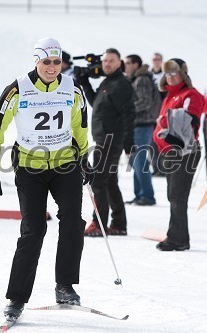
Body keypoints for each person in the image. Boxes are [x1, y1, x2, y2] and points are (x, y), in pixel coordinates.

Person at [0, 37, 91, 319]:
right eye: (46, 62)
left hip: (65, 164)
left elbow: (80, 124)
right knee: (34, 230)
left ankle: (65, 286)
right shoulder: (18, 89)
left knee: (73, 220)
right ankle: (17, 298)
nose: (52, 67)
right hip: (30, 168)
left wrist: (84, 157)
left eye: (56, 62)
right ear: (36, 61)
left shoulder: (72, 87)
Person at [78, 48, 135, 237]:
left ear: (120, 63)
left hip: (111, 139)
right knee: (109, 182)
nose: (107, 64)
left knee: (98, 182)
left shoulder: (120, 84)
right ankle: (119, 223)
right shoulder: (107, 82)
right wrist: (85, 81)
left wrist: (128, 142)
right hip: (104, 137)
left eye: (111, 60)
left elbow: (129, 115)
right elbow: (97, 103)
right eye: (105, 61)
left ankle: (99, 223)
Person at [153, 58, 204, 251]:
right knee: (173, 195)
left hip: (185, 152)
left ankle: (178, 239)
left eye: (174, 73)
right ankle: (177, 235)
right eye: (167, 74)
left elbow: (187, 123)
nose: (170, 77)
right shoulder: (170, 96)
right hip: (171, 153)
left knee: (177, 196)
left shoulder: (191, 94)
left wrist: (164, 123)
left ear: (183, 75)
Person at [124, 54, 161, 206]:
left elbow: (145, 102)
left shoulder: (142, 80)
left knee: (139, 162)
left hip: (143, 125)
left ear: (135, 64)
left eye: (127, 63)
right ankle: (140, 194)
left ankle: (147, 196)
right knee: (136, 161)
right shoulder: (136, 79)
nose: (124, 66)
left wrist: (126, 110)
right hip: (137, 126)